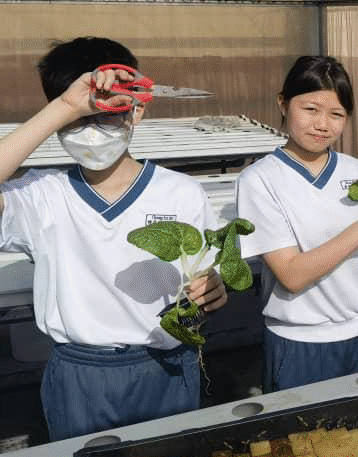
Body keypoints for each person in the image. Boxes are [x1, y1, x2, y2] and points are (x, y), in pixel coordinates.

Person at [0, 37, 227, 441]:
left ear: (137, 110)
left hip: (167, 366)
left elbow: (203, 278)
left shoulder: (182, 193)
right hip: (81, 374)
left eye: (106, 114)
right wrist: (68, 105)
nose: (91, 132)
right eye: (77, 119)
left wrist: (212, 290)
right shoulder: (41, 196)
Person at [236, 55, 358, 392]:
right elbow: (292, 276)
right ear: (283, 105)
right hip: (300, 343)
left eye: (336, 114)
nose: (322, 124)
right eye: (310, 109)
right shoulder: (260, 180)